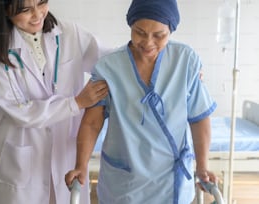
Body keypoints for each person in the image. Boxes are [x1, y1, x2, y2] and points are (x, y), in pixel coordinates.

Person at [65, 0, 218, 203]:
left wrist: (202, 165)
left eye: (159, 35)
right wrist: (80, 165)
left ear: (171, 30)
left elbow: (199, 118)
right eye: (140, 32)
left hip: (170, 181)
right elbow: (92, 123)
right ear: (130, 25)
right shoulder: (108, 68)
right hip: (125, 182)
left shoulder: (185, 61)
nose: (148, 42)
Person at [0, 0, 110, 203]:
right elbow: (20, 111)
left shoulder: (71, 33)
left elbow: (112, 62)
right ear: (5, 10)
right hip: (21, 148)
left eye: (42, 2)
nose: (37, 14)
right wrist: (75, 103)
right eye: (25, 9)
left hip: (64, 145)